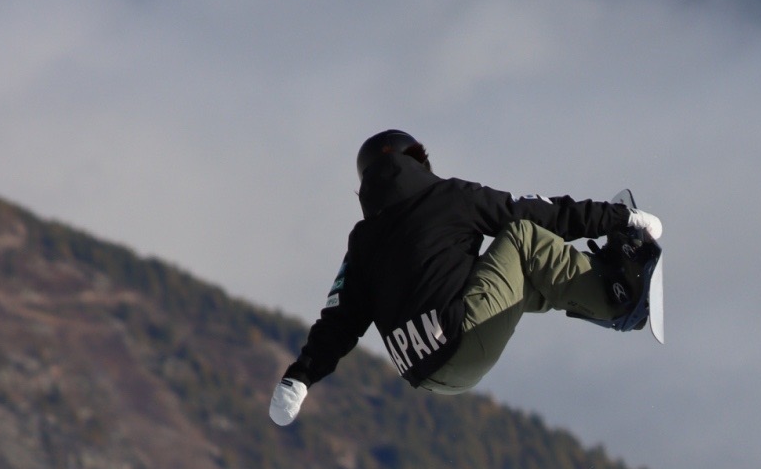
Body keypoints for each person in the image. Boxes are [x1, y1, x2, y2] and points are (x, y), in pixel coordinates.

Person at [268, 130, 663, 424]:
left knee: (508, 274)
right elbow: (531, 212)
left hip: (424, 372)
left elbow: (339, 320)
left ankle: (588, 289)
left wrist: (299, 378)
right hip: (461, 339)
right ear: (418, 164)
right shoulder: (450, 197)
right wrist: (617, 218)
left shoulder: (362, 243)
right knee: (523, 239)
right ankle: (619, 298)